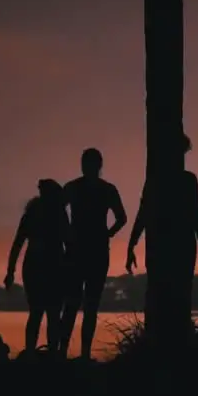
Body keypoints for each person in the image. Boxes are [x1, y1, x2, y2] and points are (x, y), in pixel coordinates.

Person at [60, 148, 127, 359]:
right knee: (88, 305)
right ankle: (82, 353)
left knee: (74, 303)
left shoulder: (73, 187)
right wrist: (107, 234)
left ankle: (64, 352)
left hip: (80, 250)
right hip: (93, 250)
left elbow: (57, 211)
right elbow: (122, 218)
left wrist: (68, 234)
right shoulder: (106, 189)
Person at [125, 133, 198, 274]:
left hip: (173, 244)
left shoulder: (184, 181)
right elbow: (143, 214)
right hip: (170, 244)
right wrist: (131, 247)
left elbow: (194, 214)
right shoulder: (184, 181)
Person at [5, 179, 71, 354]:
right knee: (51, 314)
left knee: (38, 313)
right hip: (51, 266)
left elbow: (18, 243)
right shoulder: (56, 213)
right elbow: (69, 242)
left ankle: (32, 352)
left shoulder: (33, 213)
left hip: (39, 266)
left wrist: (10, 271)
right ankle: (49, 354)